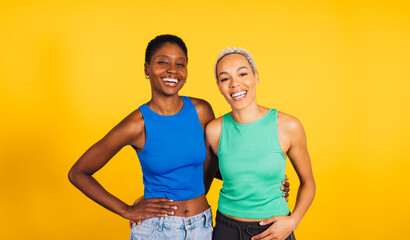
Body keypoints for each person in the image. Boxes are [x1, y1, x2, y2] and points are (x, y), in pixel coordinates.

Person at [68, 35, 290, 240]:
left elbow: (215, 168)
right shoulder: (136, 125)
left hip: (202, 227)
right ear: (147, 68)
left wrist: (265, 182)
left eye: (180, 64)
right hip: (157, 229)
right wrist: (126, 209)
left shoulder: (201, 111)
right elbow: (78, 173)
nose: (172, 70)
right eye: (163, 62)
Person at [206, 47, 315, 240]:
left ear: (256, 77)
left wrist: (293, 220)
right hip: (226, 230)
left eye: (242, 74)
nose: (235, 84)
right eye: (225, 78)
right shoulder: (214, 130)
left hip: (274, 230)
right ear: (219, 86)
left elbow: (308, 183)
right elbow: (205, 177)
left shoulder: (288, 126)